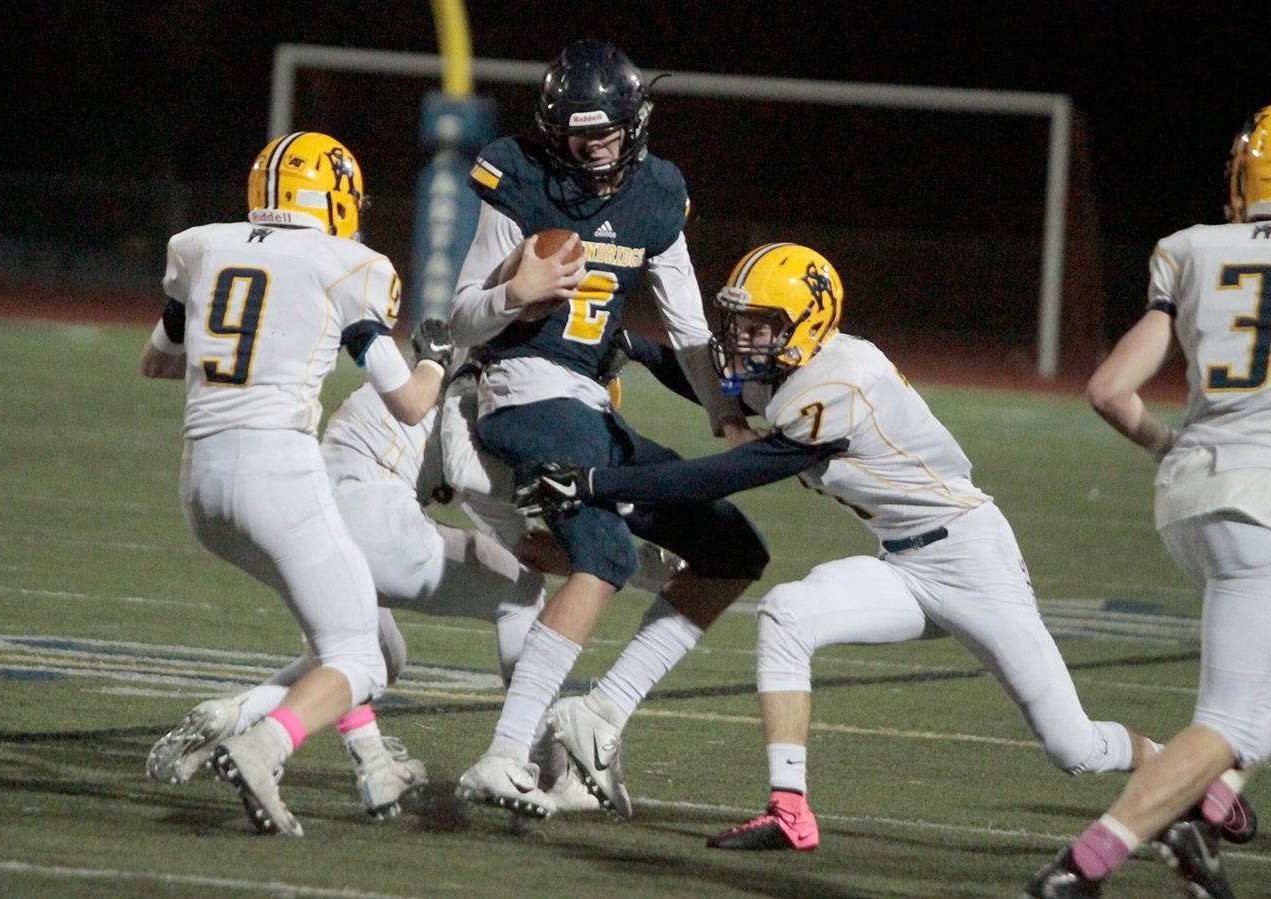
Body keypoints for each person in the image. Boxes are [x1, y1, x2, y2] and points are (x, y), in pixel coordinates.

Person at [515, 242, 1165, 851]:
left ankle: (1189, 777)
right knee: (787, 613)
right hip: (905, 562)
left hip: (971, 559)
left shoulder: (840, 382)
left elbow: (718, 475)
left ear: (807, 323)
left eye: (758, 325)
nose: (741, 339)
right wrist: (635, 346)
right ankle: (789, 810)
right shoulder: (790, 361)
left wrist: (598, 482)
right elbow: (717, 387)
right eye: (737, 322)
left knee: (1072, 746)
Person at [447, 39, 770, 819]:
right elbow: (459, 316)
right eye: (575, 134)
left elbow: (691, 329)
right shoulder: (518, 174)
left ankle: (600, 715)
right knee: (604, 552)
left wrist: (724, 410)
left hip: (591, 404)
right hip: (522, 388)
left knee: (733, 550)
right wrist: (512, 294)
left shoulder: (657, 193)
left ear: (636, 122)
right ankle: (503, 753)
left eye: (603, 132)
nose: (590, 149)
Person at [145, 321, 591, 817]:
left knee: (374, 656)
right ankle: (542, 766)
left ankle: (237, 716)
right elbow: (510, 527)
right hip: (376, 517)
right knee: (521, 591)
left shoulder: (429, 376)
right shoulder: (487, 389)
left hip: (312, 517)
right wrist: (615, 563)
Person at [139, 131, 446, 836]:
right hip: (277, 469)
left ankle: (369, 760)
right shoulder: (345, 262)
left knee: (344, 626)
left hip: (201, 486)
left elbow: (156, 362)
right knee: (360, 653)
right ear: (336, 197)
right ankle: (263, 741)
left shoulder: (202, 246)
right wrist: (437, 357)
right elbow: (408, 404)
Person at [1023, 108, 1271, 898]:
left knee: (1248, 703)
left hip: (1193, 495)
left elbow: (1107, 389)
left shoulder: (1192, 248)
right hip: (1261, 509)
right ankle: (1083, 866)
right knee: (1231, 719)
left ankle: (1209, 807)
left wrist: (1174, 448)